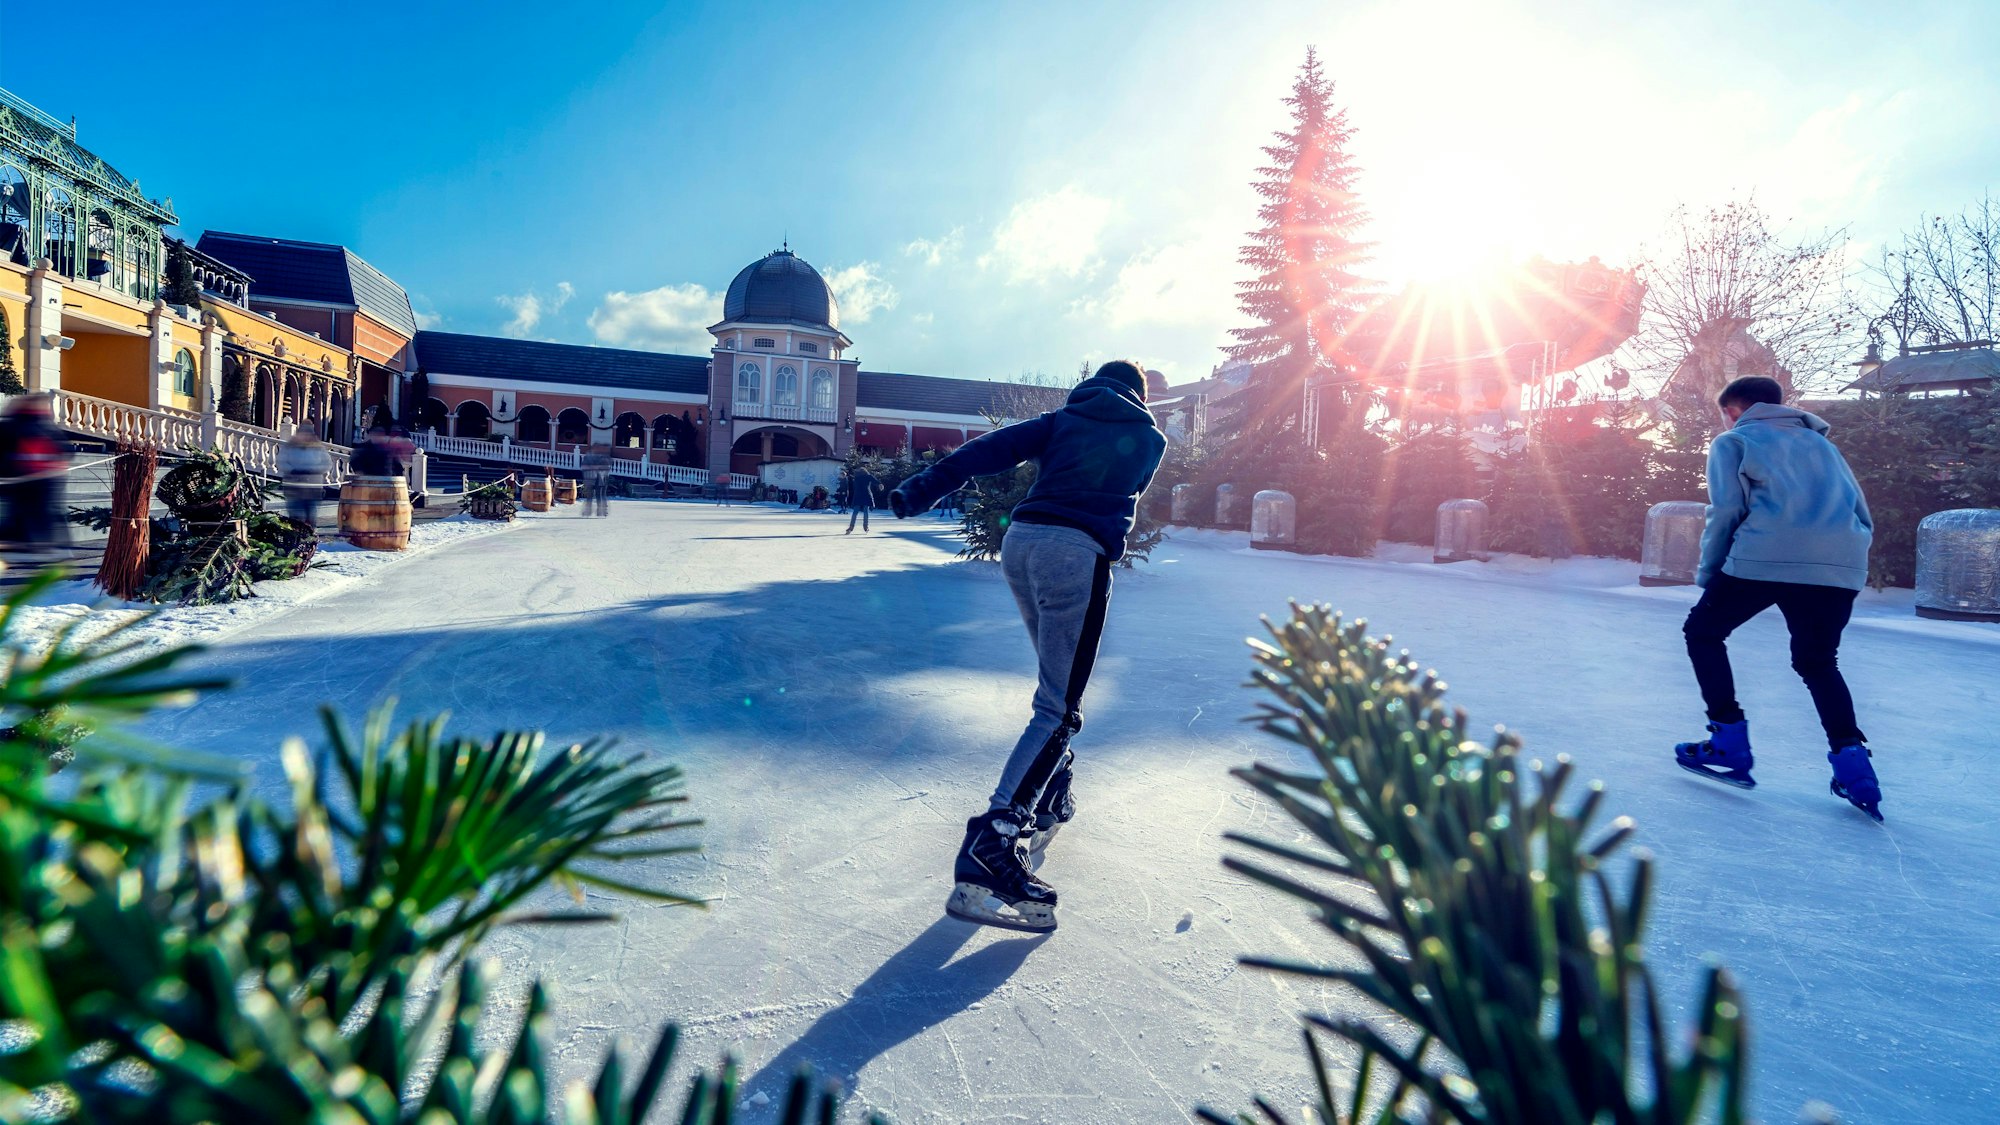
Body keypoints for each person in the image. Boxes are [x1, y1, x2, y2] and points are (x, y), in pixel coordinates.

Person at [889, 359, 1166, 931]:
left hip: (1021, 544)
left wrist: (922, 488)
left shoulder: (1061, 419)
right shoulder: (1148, 436)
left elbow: (984, 452)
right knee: (1059, 706)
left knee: (1055, 688)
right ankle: (996, 839)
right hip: (1074, 552)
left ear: (1091, 388)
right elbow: (1128, 486)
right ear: (1139, 394)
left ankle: (1051, 788)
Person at [1675, 375, 1881, 820]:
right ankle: (1854, 767)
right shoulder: (1823, 446)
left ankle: (1728, 741)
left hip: (1764, 557)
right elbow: (1861, 510)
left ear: (1733, 410)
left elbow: (1727, 510)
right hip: (1837, 563)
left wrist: (1710, 572)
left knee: (1703, 632)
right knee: (1818, 662)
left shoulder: (1734, 441)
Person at [0, 394, 70, 554]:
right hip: (34, 480)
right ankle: (43, 545)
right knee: (36, 512)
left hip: (33, 479)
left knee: (33, 511)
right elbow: (66, 450)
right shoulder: (41, 424)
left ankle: (38, 545)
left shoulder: (20, 424)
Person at [277, 429, 332, 532]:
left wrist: (313, 470)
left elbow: (327, 464)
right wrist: (293, 470)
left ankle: (310, 536)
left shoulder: (318, 449)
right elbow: (281, 462)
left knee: (311, 515)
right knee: (295, 516)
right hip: (294, 488)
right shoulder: (290, 448)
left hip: (313, 488)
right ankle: (296, 535)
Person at [845, 462, 881, 534]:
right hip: (866, 495)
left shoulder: (857, 477)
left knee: (855, 512)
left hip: (858, 496)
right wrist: (880, 484)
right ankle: (866, 527)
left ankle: (851, 527)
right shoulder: (868, 476)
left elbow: (853, 485)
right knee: (865, 512)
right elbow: (875, 481)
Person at [583, 447, 612, 517]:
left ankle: (601, 511)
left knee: (599, 496)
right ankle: (592, 511)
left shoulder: (601, 459)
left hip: (599, 479)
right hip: (594, 479)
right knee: (596, 496)